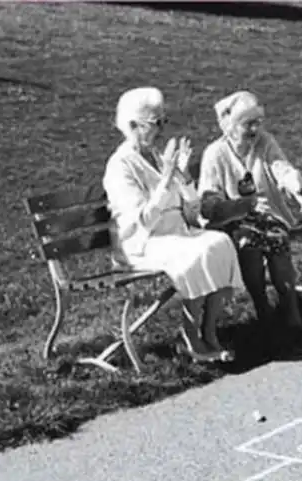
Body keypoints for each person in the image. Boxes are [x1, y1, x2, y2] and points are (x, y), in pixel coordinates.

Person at [103, 86, 245, 363]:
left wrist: (183, 178)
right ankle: (190, 337)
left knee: (220, 242)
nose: (162, 130)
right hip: (142, 244)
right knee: (197, 253)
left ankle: (209, 330)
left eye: (163, 121)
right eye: (155, 123)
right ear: (132, 126)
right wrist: (166, 181)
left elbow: (191, 213)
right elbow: (141, 221)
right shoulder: (120, 166)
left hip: (176, 234)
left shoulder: (158, 157)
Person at [197, 90, 302, 341]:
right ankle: (262, 307)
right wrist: (239, 206)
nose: (255, 129)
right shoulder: (215, 154)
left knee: (276, 238)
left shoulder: (264, 142)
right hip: (232, 220)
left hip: (267, 215)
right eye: (248, 124)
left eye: (258, 123)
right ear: (231, 126)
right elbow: (208, 201)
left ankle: (291, 309)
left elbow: (281, 167)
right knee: (248, 242)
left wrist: (295, 185)